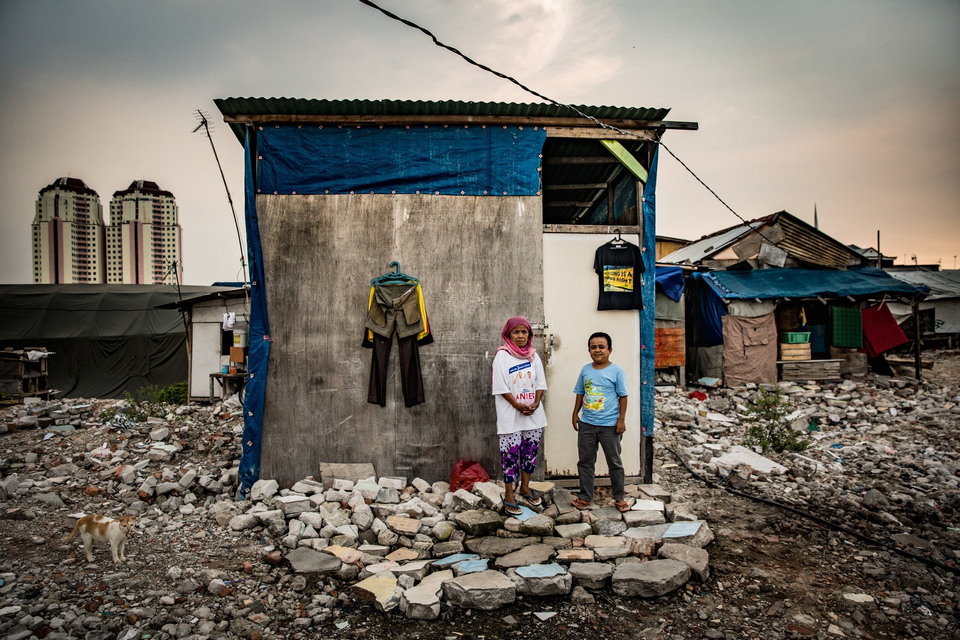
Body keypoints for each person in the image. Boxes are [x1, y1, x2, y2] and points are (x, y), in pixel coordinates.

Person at [491, 316, 548, 516]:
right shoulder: (502, 356)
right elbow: (499, 385)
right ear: (508, 334)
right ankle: (509, 493)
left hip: (533, 413)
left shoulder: (533, 356)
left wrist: (535, 403)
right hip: (511, 415)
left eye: (524, 332)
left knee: (530, 452)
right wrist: (517, 404)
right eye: (516, 332)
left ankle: (524, 487)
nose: (521, 336)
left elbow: (541, 382)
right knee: (510, 454)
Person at [571, 331, 630, 512]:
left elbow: (623, 396)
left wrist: (621, 420)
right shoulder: (585, 370)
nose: (597, 350)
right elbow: (580, 393)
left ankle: (619, 498)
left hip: (609, 426)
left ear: (609, 350)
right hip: (587, 424)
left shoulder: (617, 371)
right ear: (589, 350)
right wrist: (575, 414)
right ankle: (585, 496)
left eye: (601, 347)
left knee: (614, 462)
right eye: (593, 347)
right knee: (585, 462)